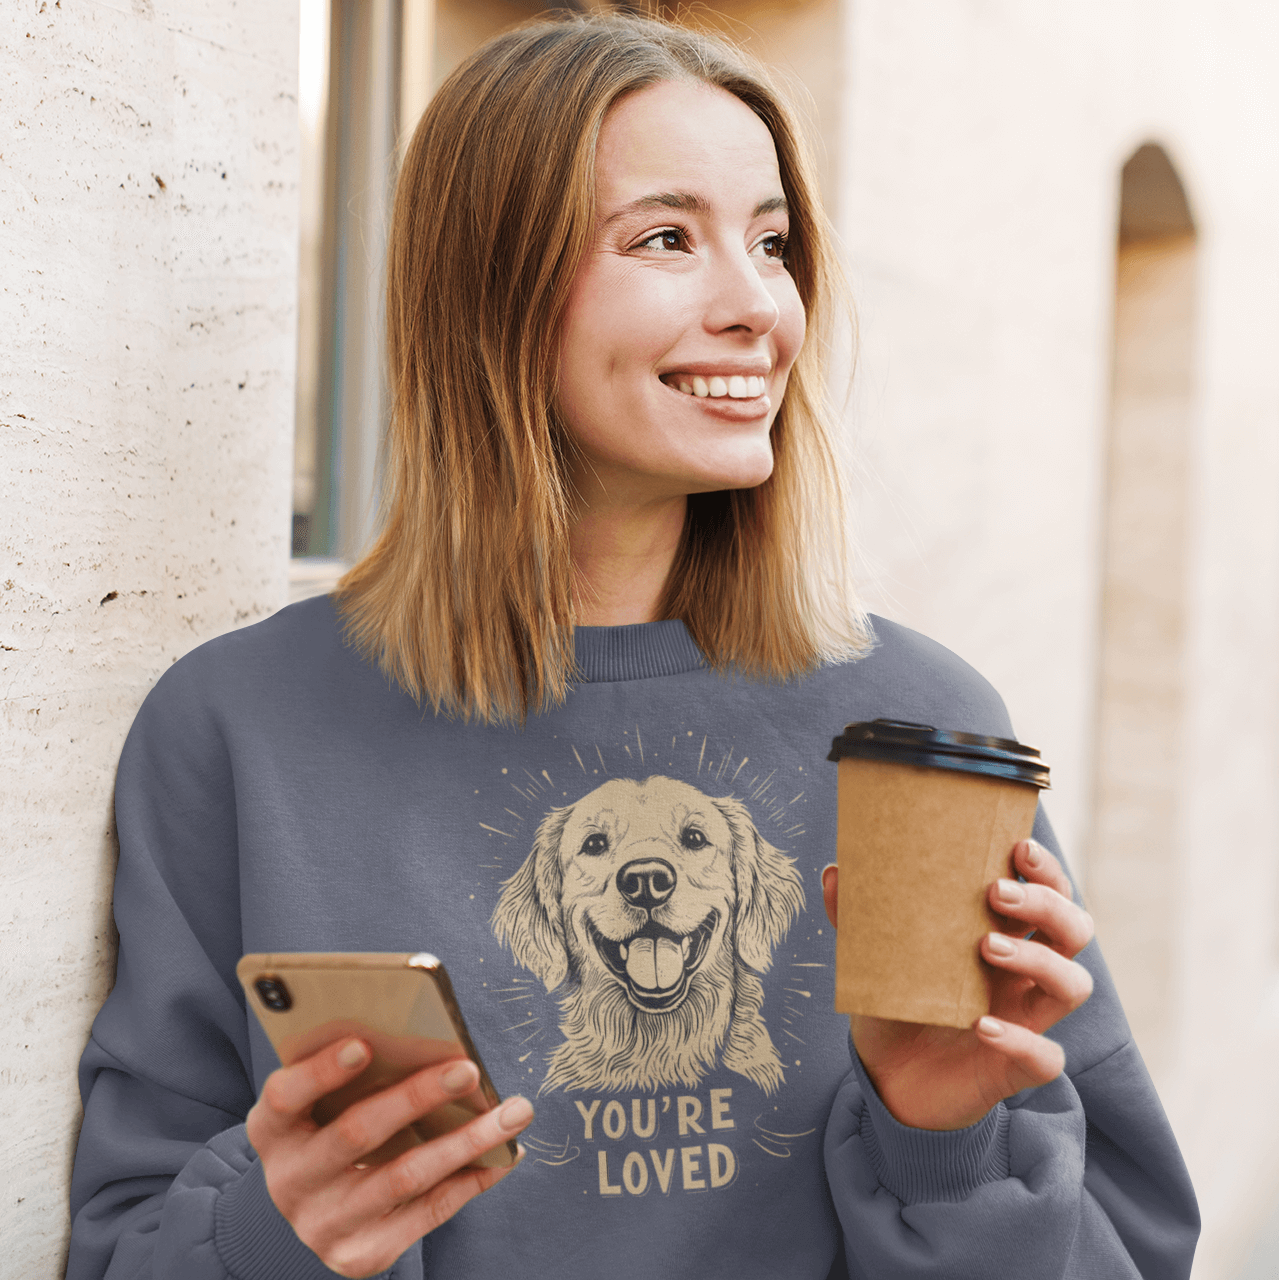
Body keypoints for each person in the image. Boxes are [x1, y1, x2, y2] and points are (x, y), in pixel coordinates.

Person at [67, 12, 1199, 1279]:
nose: (758, 306)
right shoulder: (239, 729)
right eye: (667, 237)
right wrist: (275, 1235)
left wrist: (942, 1140)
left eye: (772, 244)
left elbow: (1133, 1251)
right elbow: (126, 1243)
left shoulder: (919, 728)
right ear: (492, 286)